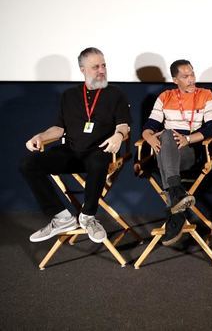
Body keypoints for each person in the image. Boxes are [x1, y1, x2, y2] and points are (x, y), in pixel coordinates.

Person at [20, 47, 131, 244]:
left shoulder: (116, 94)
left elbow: (124, 125)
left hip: (100, 151)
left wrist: (118, 135)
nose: (102, 70)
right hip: (71, 151)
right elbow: (58, 128)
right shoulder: (69, 95)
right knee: (28, 164)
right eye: (95, 66)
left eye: (104, 65)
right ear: (82, 69)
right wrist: (40, 136)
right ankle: (61, 217)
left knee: (98, 161)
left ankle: (87, 216)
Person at [142, 59, 212, 246]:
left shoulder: (206, 95)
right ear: (175, 80)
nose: (191, 79)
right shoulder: (165, 96)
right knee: (166, 135)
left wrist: (188, 139)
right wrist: (148, 137)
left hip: (191, 150)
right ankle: (177, 197)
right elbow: (150, 126)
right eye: (185, 76)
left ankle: (175, 205)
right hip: (167, 147)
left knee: (165, 145)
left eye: (192, 74)